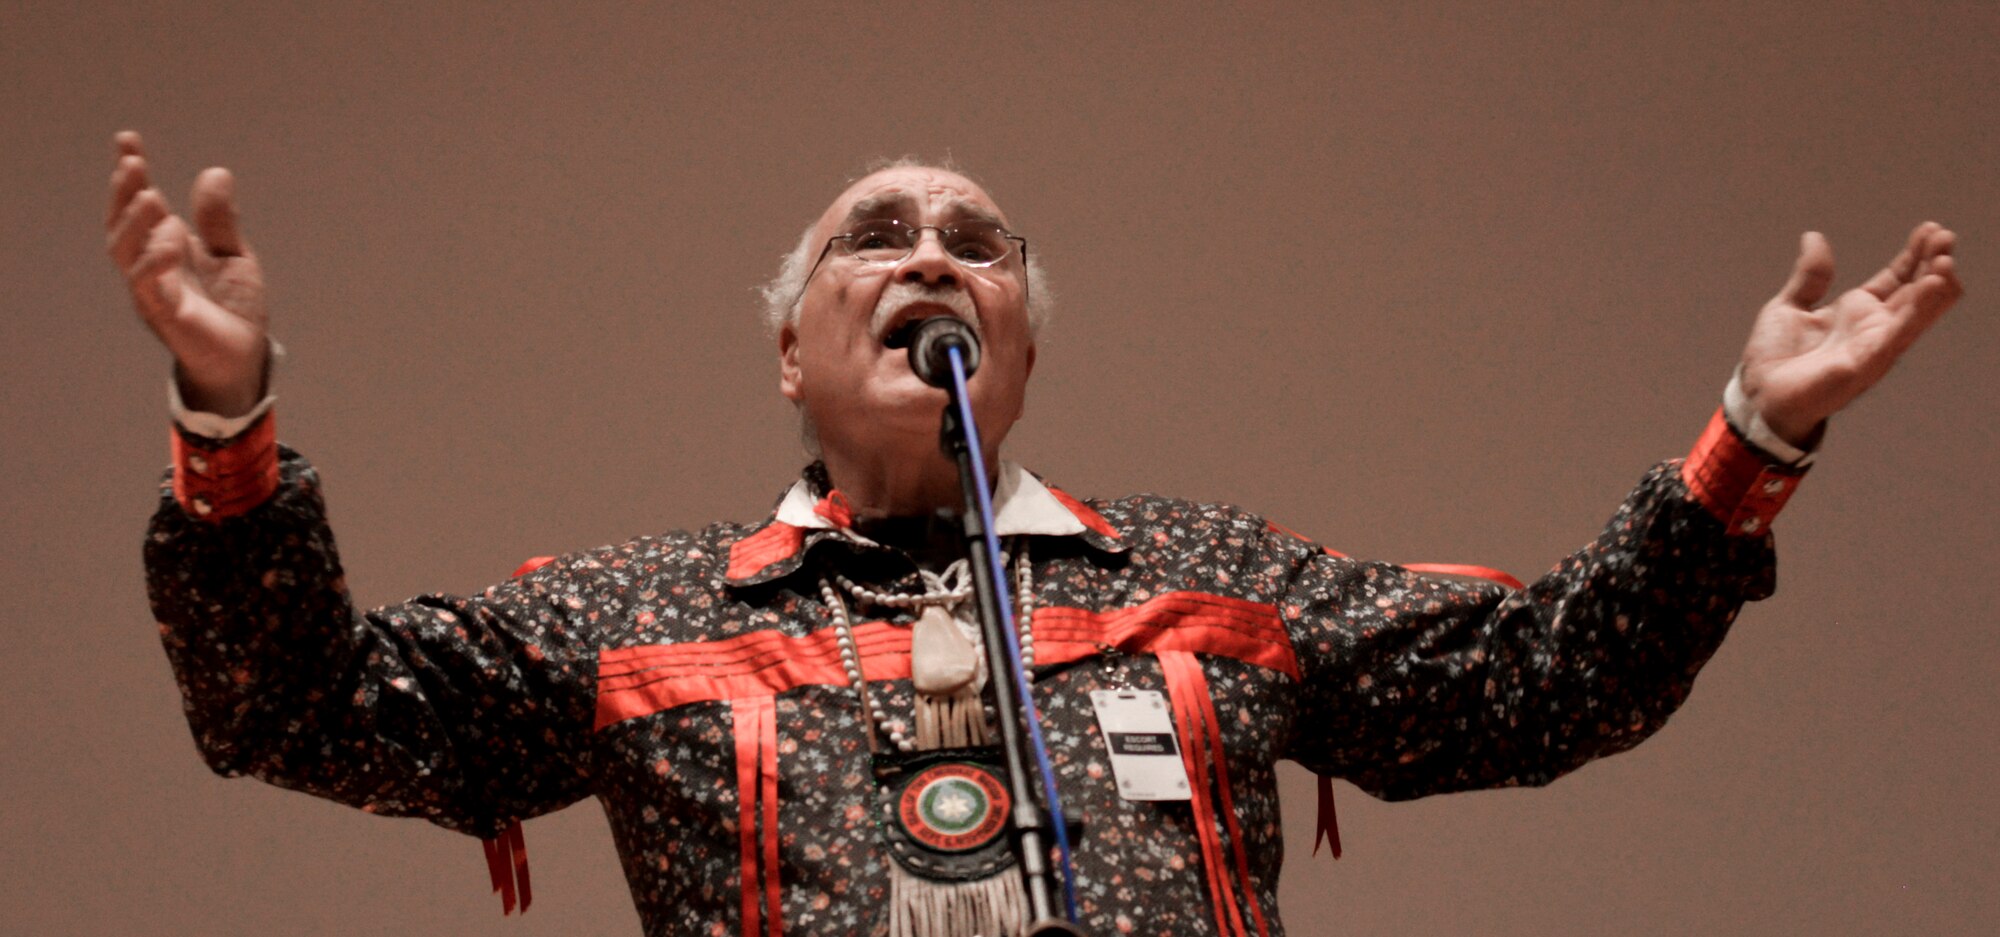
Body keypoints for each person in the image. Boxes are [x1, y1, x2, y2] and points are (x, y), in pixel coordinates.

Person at [107, 129, 1962, 937]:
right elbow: (298, 706)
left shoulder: (1204, 587)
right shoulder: (640, 612)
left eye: (977, 240)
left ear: (1022, 336)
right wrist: (229, 415)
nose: (932, 250)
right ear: (787, 353)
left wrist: (1758, 431)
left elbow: (1548, 679)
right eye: (878, 230)